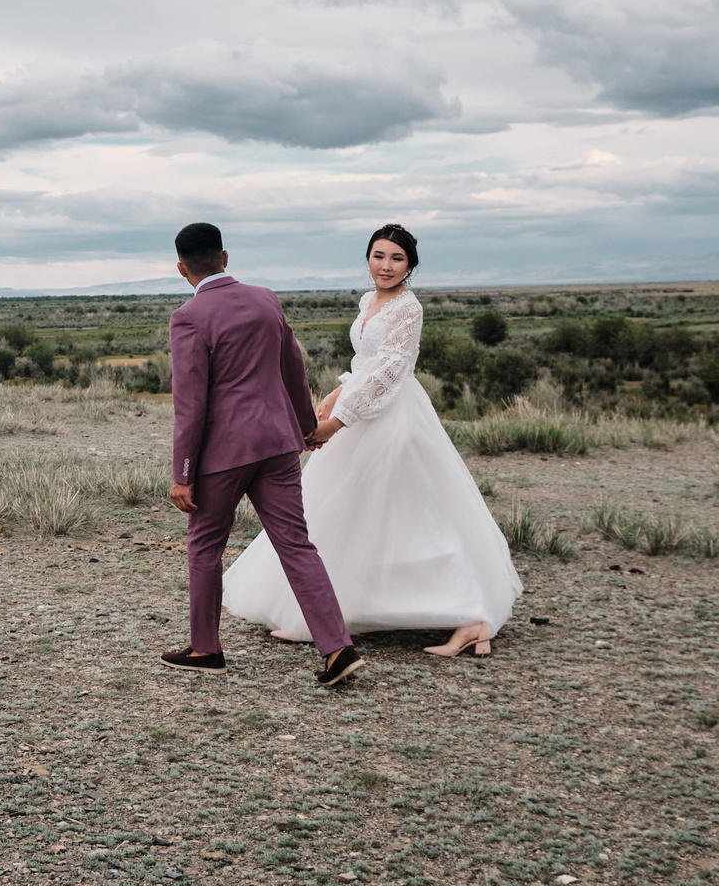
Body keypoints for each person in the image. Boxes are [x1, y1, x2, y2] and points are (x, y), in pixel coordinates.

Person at [222, 223, 521, 659]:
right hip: (360, 409)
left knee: (414, 514)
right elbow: (365, 363)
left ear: (411, 266)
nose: (386, 266)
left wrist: (335, 423)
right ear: (367, 259)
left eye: (397, 258)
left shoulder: (408, 309)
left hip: (394, 419)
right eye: (379, 256)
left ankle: (473, 618)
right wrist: (335, 394)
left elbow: (387, 373)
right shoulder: (369, 301)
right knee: (346, 510)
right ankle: (321, 614)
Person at [158, 222, 364, 688]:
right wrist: (306, 426)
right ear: (225, 258)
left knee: (205, 545)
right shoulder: (266, 298)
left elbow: (190, 405)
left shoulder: (188, 316)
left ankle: (205, 648)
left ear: (181, 268)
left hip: (224, 454)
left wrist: (183, 474)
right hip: (277, 444)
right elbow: (293, 366)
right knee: (295, 543)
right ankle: (337, 648)